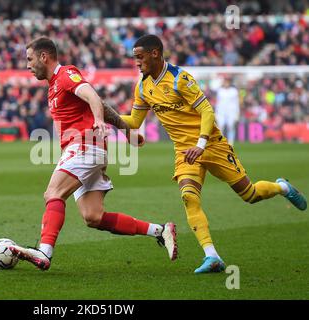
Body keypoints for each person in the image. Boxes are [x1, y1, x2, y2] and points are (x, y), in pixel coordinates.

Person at [115, 34, 307, 274]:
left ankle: (282, 188)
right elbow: (134, 121)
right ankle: (212, 256)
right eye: (134, 58)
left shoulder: (179, 79)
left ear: (155, 53)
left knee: (250, 194)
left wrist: (201, 143)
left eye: (139, 57)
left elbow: (206, 110)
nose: (136, 62)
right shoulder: (143, 87)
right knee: (189, 197)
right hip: (185, 153)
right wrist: (106, 115)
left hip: (212, 145)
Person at [9, 37, 178, 271]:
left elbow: (92, 96)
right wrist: (126, 131)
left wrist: (98, 120)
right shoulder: (53, 86)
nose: (27, 65)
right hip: (86, 149)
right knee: (93, 217)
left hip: (85, 145)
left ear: (44, 57)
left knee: (53, 193)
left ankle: (44, 252)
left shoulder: (66, 75)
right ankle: (160, 230)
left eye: (29, 59)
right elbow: (102, 104)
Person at [215, 78, 240, 145]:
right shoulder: (220, 90)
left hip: (231, 111)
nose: (226, 83)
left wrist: (237, 114)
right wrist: (216, 113)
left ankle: (231, 143)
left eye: (227, 82)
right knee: (221, 127)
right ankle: (221, 143)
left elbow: (236, 103)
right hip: (221, 111)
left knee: (230, 126)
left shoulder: (234, 91)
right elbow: (218, 103)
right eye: (225, 82)